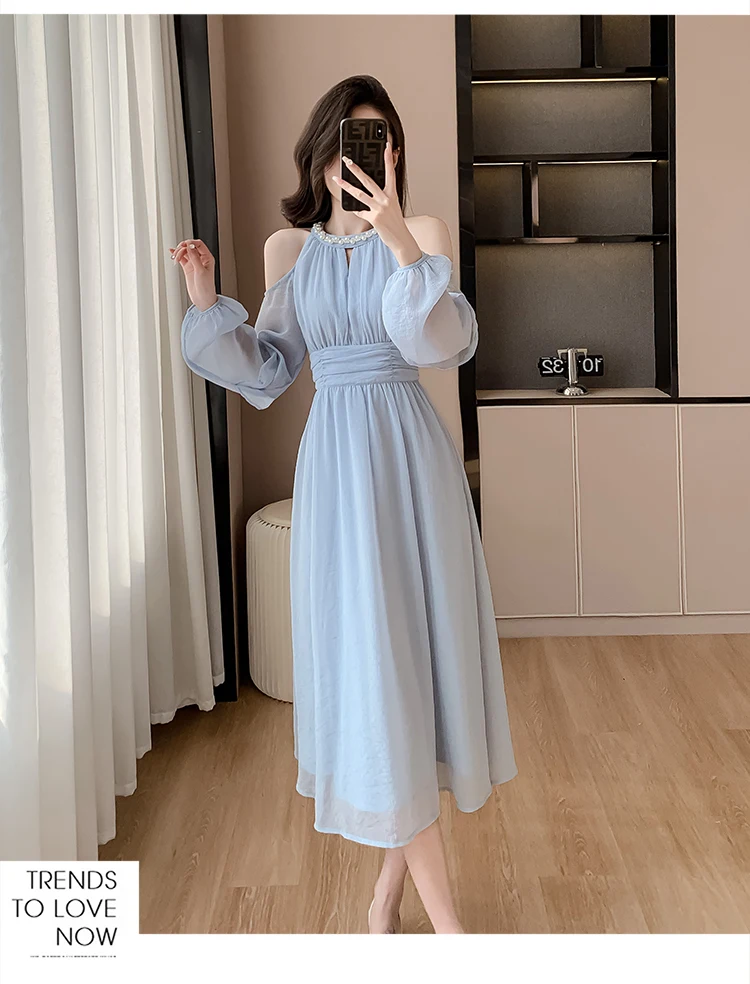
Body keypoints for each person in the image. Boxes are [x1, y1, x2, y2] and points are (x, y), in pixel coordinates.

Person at [171, 75, 517, 935]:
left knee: (414, 672)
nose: (358, 159)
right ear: (320, 154)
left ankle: (393, 903)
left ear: (392, 154)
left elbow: (437, 342)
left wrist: (395, 236)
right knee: (375, 674)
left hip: (413, 465)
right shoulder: (290, 251)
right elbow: (269, 367)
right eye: (346, 142)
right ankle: (437, 926)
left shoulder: (422, 237)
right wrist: (207, 303)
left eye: (378, 141)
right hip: (338, 469)